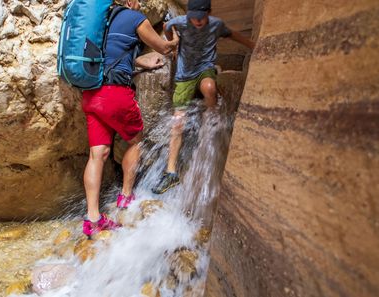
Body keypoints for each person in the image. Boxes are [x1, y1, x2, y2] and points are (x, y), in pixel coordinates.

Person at [81, 0, 179, 236]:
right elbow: (166, 48)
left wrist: (140, 61)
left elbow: (112, 52)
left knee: (98, 154)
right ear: (129, 1)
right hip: (116, 93)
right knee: (136, 140)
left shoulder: (100, 21)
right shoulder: (135, 18)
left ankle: (92, 218)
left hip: (91, 94)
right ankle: (126, 195)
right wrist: (174, 35)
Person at [152, 0, 255, 194]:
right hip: (184, 76)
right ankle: (171, 172)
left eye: (201, 17)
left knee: (209, 87)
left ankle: (211, 120)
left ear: (209, 13)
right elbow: (167, 26)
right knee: (178, 122)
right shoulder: (181, 21)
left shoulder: (216, 24)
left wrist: (252, 45)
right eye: (194, 18)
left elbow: (233, 35)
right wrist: (173, 44)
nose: (197, 21)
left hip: (204, 70)